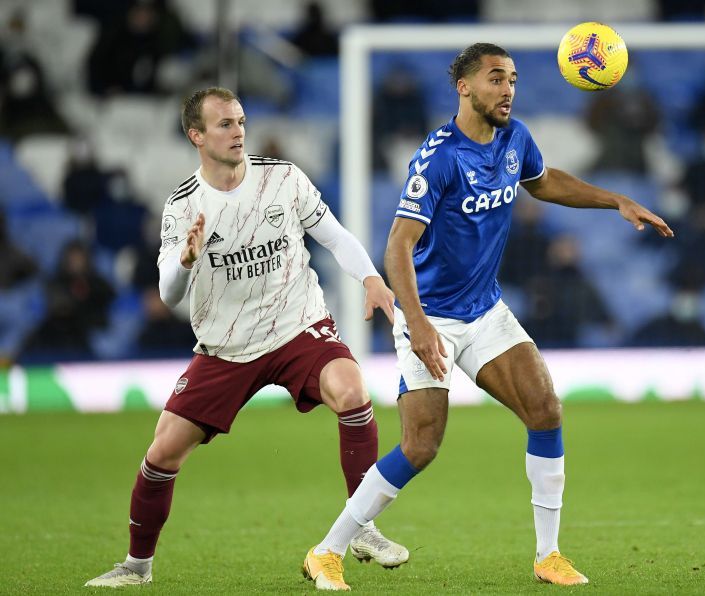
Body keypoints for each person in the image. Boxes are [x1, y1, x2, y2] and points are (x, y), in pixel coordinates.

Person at [303, 43, 673, 591]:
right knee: (422, 445)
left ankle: (548, 556)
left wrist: (614, 199)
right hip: (430, 317)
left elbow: (543, 182)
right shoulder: (439, 156)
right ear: (465, 87)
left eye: (514, 80)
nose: (508, 90)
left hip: (485, 311)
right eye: (496, 79)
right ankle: (327, 551)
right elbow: (397, 248)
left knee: (545, 410)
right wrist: (420, 324)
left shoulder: (514, 138)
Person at [84, 87, 408, 588]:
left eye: (240, 121)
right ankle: (137, 566)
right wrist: (186, 263)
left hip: (297, 325)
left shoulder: (283, 178)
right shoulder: (183, 206)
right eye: (223, 124)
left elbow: (335, 236)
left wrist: (370, 279)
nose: (237, 131)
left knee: (352, 389)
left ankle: (362, 527)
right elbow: (169, 293)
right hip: (227, 348)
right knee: (163, 453)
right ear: (196, 135)